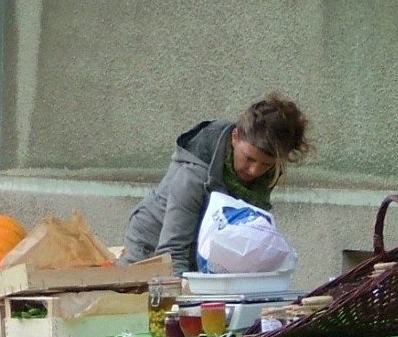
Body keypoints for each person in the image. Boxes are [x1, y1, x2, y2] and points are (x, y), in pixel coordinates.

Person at [119, 93, 311, 275]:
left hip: (200, 255)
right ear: (235, 137)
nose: (254, 171)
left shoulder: (265, 176)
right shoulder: (194, 175)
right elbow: (171, 252)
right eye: (249, 158)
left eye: (266, 164)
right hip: (150, 249)